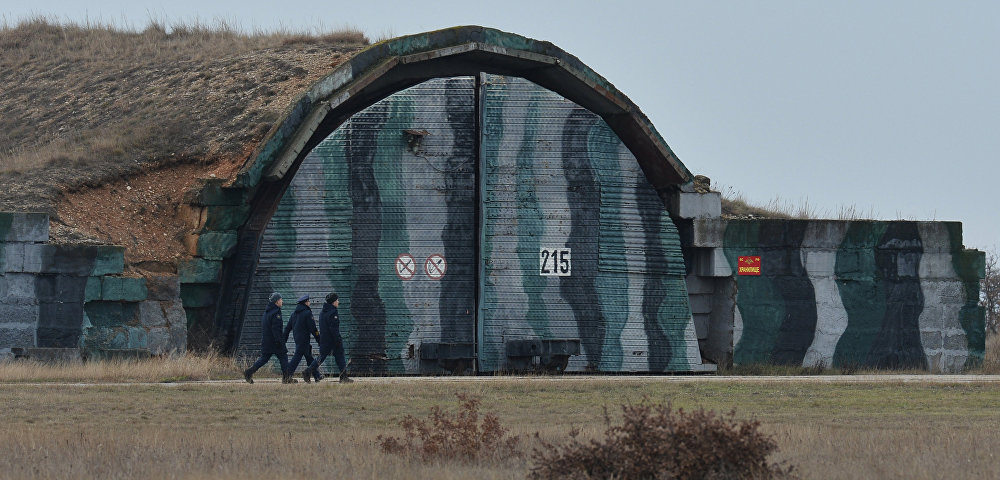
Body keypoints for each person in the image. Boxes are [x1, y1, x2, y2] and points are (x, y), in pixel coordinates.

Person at [244, 292, 295, 384]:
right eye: (281, 299)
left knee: (264, 359)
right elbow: (276, 329)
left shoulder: (267, 312)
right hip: (275, 342)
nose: (282, 301)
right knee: (283, 357)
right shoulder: (276, 313)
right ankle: (286, 378)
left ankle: (249, 372)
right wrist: (279, 341)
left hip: (267, 341)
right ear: (276, 301)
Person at [304, 292, 352, 383]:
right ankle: (343, 377)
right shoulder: (333, 312)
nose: (338, 302)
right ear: (333, 302)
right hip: (332, 340)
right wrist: (337, 339)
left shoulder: (323, 312)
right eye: (337, 300)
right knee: (338, 355)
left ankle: (308, 371)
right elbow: (334, 329)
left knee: (325, 357)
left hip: (324, 339)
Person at [285, 294, 323, 383]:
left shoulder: (294, 314)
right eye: (309, 301)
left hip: (297, 339)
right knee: (296, 358)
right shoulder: (307, 313)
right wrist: (319, 339)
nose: (309, 303)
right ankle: (287, 376)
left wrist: (284, 338)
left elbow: (287, 328)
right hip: (304, 340)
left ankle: (317, 376)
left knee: (309, 357)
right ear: (306, 303)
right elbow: (313, 328)